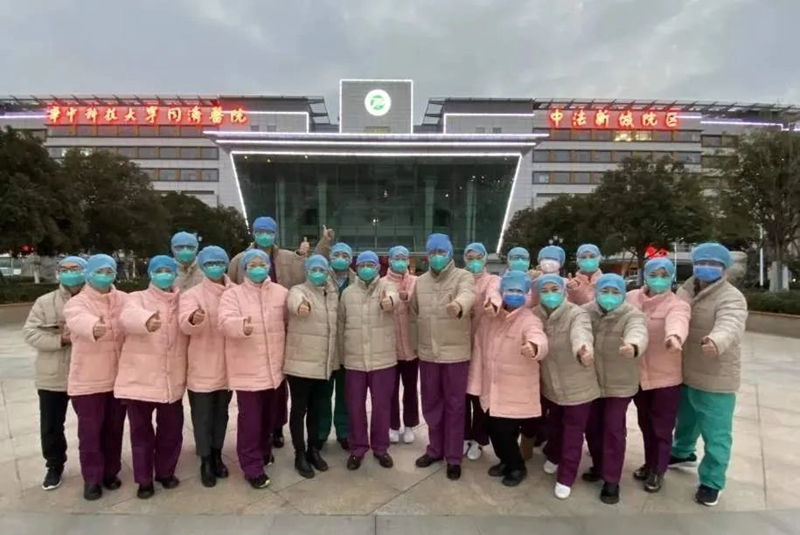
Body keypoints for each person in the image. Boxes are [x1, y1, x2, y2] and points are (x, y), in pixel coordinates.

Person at [228, 216, 334, 449]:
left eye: (269, 232)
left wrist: (323, 245)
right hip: (251, 328)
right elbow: (230, 288)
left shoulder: (287, 257)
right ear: (253, 233)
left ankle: (277, 428)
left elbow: (311, 270)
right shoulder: (238, 260)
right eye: (260, 231)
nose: (264, 235)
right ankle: (258, 435)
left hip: (281, 326)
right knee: (255, 389)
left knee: (278, 384)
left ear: (275, 234)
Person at [670, 243, 748, 507]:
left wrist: (716, 340)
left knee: (716, 434)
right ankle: (682, 452)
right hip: (686, 370)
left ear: (724, 268)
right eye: (701, 262)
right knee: (686, 419)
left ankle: (712, 481)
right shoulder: (685, 291)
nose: (706, 267)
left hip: (716, 375)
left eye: (714, 264)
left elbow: (731, 323)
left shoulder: (731, 297)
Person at [116, 255, 187, 500]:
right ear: (151, 274)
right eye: (159, 270)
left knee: (171, 431)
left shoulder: (182, 300)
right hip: (140, 378)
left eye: (169, 270)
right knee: (141, 434)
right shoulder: (136, 298)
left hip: (171, 379)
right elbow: (127, 317)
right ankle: (144, 479)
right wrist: (146, 321)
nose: (165, 274)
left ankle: (165, 472)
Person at [468, 271, 548, 487]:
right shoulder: (490, 318)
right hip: (490, 387)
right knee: (493, 428)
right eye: (510, 290)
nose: (514, 294)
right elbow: (479, 350)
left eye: (519, 291)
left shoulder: (529, 319)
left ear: (526, 294)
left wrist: (534, 347)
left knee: (504, 431)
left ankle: (517, 467)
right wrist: (475, 384)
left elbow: (537, 336)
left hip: (514, 389)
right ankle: (505, 460)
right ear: (502, 292)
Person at [218, 249, 288, 489]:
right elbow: (224, 322)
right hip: (248, 370)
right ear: (245, 269)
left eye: (262, 264)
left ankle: (264, 452)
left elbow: (289, 321)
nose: (258, 268)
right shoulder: (233, 295)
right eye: (253, 265)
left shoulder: (280, 292)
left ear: (269, 266)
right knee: (250, 422)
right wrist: (241, 327)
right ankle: (251, 467)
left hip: (274, 370)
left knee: (269, 418)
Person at [63, 254, 128, 501]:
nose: (104, 275)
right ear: (88, 273)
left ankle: (111, 472)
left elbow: (135, 316)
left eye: (109, 271)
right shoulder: (77, 302)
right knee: (90, 433)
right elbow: (77, 320)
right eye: (99, 271)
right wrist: (93, 326)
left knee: (114, 429)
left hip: (118, 379)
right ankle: (92, 478)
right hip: (88, 381)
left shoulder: (124, 299)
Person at [411, 233, 476, 481]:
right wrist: (417, 346)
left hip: (455, 356)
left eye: (441, 252)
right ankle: (435, 450)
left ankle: (454, 457)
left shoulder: (463, 276)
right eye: (432, 253)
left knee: (455, 407)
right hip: (428, 355)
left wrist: (458, 305)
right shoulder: (421, 282)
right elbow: (414, 314)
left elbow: (468, 295)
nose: (437, 256)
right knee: (431, 405)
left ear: (449, 253)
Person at [582, 273, 648, 505]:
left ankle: (612, 479)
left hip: (620, 384)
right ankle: (599, 465)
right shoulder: (585, 312)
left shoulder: (633, 314)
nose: (609, 296)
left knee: (613, 429)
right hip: (591, 381)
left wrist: (633, 345)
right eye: (605, 291)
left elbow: (638, 332)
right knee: (592, 427)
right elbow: (579, 331)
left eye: (615, 292)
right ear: (596, 292)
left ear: (623, 294)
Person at [23, 255, 87, 491]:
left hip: (88, 374)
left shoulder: (96, 299)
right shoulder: (45, 302)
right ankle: (54, 466)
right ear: (58, 273)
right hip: (53, 375)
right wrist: (61, 339)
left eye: (75, 268)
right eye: (65, 269)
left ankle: (95, 466)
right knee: (51, 426)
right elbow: (30, 333)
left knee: (91, 425)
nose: (70, 273)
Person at [627, 258, 691, 493]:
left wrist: (674, 337)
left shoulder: (678, 304)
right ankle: (649, 462)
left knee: (662, 427)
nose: (659, 279)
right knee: (645, 424)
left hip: (665, 377)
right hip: (638, 375)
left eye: (664, 275)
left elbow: (678, 322)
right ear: (645, 275)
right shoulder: (631, 298)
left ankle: (659, 469)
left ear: (672, 277)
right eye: (654, 274)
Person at [534, 274, 598, 500]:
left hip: (578, 386)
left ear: (563, 291)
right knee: (555, 426)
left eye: (555, 289)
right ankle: (554, 455)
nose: (550, 294)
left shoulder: (576, 313)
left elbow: (581, 332)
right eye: (545, 290)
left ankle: (566, 476)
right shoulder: (535, 314)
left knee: (573, 433)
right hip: (551, 384)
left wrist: (582, 349)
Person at [179, 246, 234, 488]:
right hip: (202, 364)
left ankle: (217, 454)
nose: (215, 267)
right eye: (210, 263)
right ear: (202, 266)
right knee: (202, 417)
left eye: (219, 262)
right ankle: (205, 460)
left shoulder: (236, 292)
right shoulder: (192, 294)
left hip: (229, 365)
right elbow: (184, 323)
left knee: (221, 414)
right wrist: (193, 319)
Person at [339, 251, 398, 470]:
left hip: (382, 360)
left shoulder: (387, 287)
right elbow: (341, 324)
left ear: (377, 268)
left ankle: (381, 448)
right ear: (356, 267)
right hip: (354, 360)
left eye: (370, 265)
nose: (366, 268)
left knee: (382, 407)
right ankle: (358, 448)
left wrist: (389, 302)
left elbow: (394, 297)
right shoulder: (348, 293)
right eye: (362, 265)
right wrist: (342, 356)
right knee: (355, 407)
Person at [283, 254, 339, 479]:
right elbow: (294, 302)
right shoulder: (298, 291)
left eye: (322, 270)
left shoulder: (332, 294)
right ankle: (299, 454)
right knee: (299, 410)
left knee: (317, 409)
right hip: (300, 364)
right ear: (307, 271)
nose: (318, 273)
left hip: (323, 363)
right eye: (313, 269)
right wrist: (301, 306)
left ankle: (313, 449)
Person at [462, 242, 500, 461]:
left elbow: (494, 294)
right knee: (461, 396)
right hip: (459, 345)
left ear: (485, 258)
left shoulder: (492, 280)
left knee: (479, 396)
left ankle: (478, 439)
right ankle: (463, 435)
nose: (474, 261)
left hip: (483, 346)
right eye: (470, 258)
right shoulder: (460, 278)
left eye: (478, 257)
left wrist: (492, 304)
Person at [317, 241, 356, 451]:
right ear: (330, 257)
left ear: (351, 259)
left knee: (345, 393)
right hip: (326, 345)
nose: (340, 259)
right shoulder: (320, 277)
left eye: (345, 255)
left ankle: (344, 432)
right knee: (323, 394)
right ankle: (321, 432)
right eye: (336, 255)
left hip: (348, 346)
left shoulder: (357, 280)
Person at [384, 245, 420, 445]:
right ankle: (393, 425)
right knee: (390, 390)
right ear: (389, 260)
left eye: (403, 258)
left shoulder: (416, 282)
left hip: (411, 348)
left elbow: (422, 308)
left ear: (408, 260)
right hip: (389, 348)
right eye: (396, 258)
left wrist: (409, 299)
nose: (399, 261)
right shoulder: (382, 283)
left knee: (410, 389)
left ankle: (409, 425)